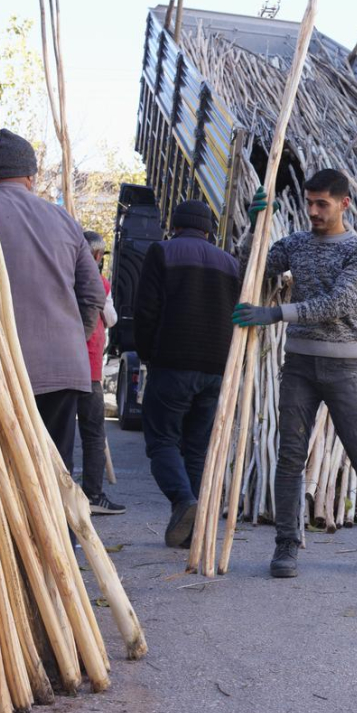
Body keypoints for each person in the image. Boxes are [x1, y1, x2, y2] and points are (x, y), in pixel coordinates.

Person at [234, 168, 357, 579]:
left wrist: (275, 313)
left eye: (321, 204)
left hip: (343, 367)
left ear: (344, 203)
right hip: (299, 366)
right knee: (290, 457)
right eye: (309, 203)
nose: (312, 211)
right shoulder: (295, 244)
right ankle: (286, 546)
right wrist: (254, 230)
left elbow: (338, 302)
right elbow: (250, 269)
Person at [0, 128, 104, 475]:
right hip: (63, 368)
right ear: (31, 176)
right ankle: (60, 531)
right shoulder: (64, 219)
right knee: (56, 471)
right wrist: (73, 337)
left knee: (4, 472)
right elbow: (94, 293)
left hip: (0, 363)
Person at [134, 200, 241, 548]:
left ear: (175, 225)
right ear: (208, 230)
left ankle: (184, 501)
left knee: (162, 440)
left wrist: (149, 355)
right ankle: (189, 532)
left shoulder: (161, 252)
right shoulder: (230, 263)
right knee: (196, 449)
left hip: (173, 363)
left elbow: (146, 310)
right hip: (216, 368)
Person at [79, 230, 126, 515]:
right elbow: (111, 319)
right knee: (94, 434)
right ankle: (93, 494)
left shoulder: (63, 280)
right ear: (97, 256)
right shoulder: (100, 284)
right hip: (90, 368)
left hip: (62, 365)